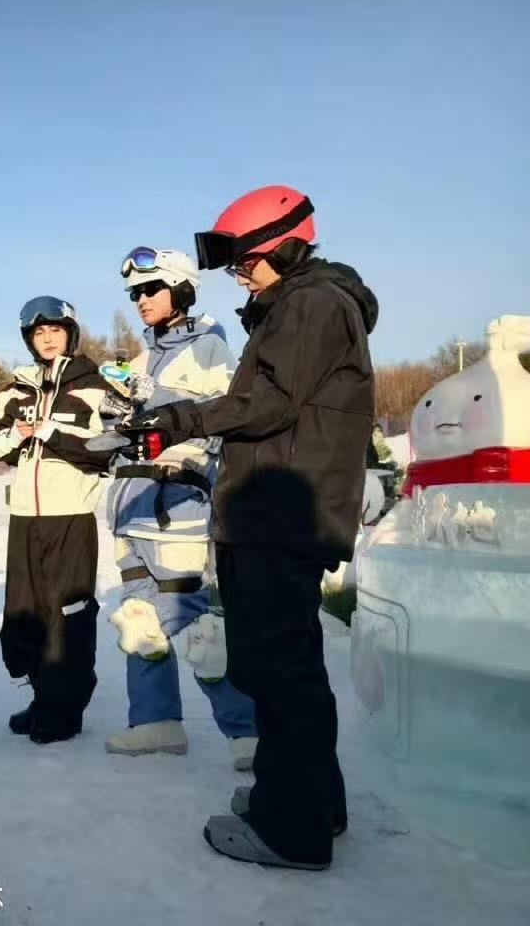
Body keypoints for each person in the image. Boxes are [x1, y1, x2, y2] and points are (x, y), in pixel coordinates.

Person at [120, 186, 377, 870]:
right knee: (287, 667)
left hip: (280, 514)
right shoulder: (302, 303)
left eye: (244, 259)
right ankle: (309, 801)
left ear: (283, 247)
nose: (237, 273)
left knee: (278, 671)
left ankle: (290, 829)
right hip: (280, 509)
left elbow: (267, 402)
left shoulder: (310, 302)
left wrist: (180, 419)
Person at [102, 248, 257, 768]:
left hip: (178, 504)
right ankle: (156, 722)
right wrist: (114, 415)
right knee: (140, 621)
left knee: (191, 625)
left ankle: (247, 732)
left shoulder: (210, 347)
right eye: (135, 293)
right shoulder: (141, 356)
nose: (141, 300)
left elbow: (224, 419)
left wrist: (157, 398)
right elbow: (130, 432)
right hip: (131, 505)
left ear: (182, 290)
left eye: (152, 289)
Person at [0, 296, 117, 743]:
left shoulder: (95, 387)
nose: (46, 339)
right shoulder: (16, 390)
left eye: (55, 330)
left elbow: (106, 449)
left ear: (70, 334)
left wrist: (53, 433)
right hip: (25, 515)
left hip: (71, 516)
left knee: (68, 614)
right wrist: (16, 434)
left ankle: (64, 709)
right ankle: (43, 697)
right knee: (28, 612)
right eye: (38, 333)